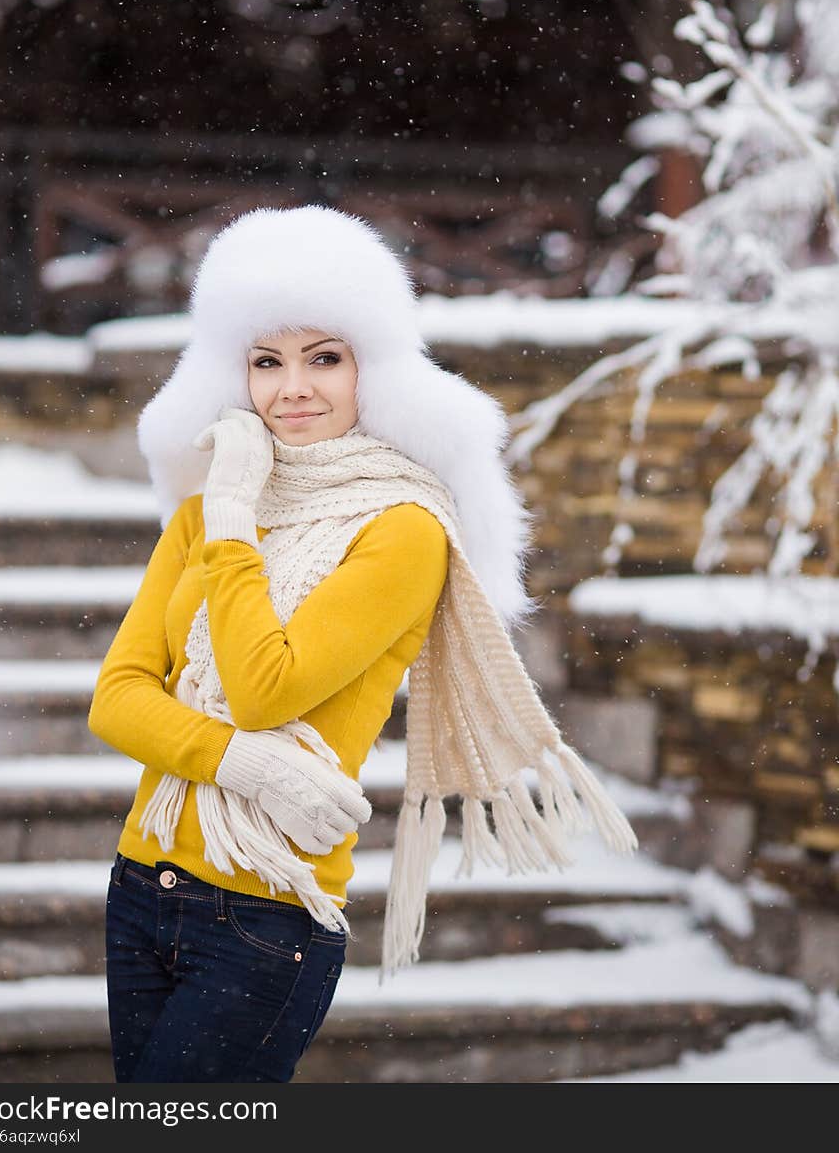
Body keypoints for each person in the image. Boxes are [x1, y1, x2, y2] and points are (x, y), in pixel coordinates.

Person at [88, 204, 639, 1085]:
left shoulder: (401, 529)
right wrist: (248, 764)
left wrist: (234, 524)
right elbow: (116, 697)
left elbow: (268, 687)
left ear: (370, 370)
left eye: (324, 358)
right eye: (266, 361)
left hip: (263, 914)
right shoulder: (205, 506)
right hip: (140, 891)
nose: (293, 388)